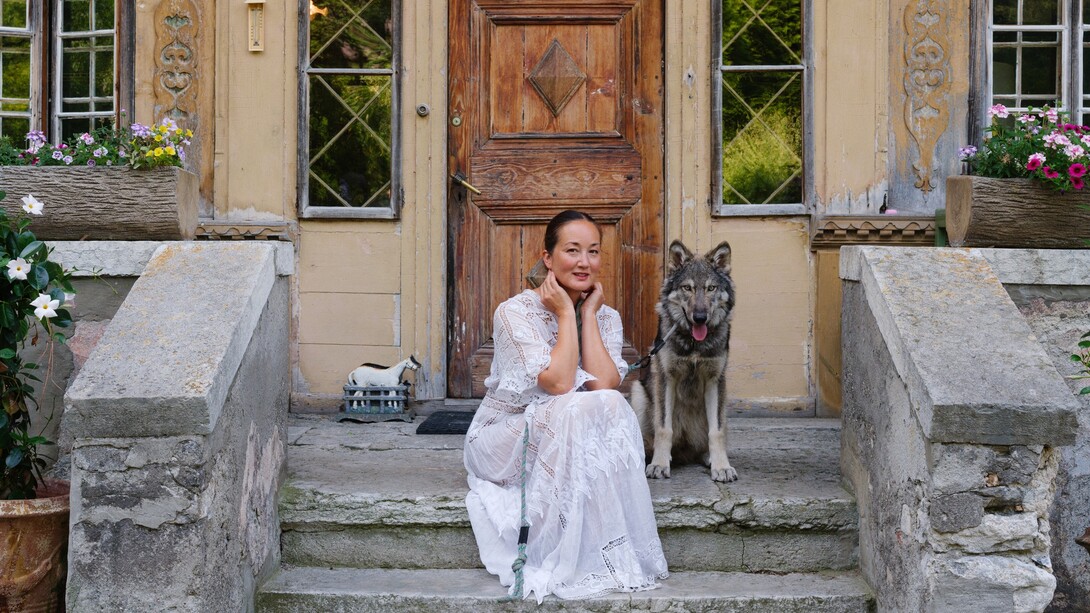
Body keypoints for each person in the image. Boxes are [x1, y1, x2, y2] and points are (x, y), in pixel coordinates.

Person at [463, 210, 668, 602]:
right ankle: (558, 552)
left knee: (609, 403)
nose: (584, 262)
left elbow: (603, 384)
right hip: (503, 438)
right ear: (548, 257)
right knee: (575, 407)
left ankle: (607, 553)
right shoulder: (514, 313)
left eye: (593, 252)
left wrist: (586, 314)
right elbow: (558, 384)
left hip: (563, 428)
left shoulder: (605, 316)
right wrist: (562, 311)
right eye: (572, 251)